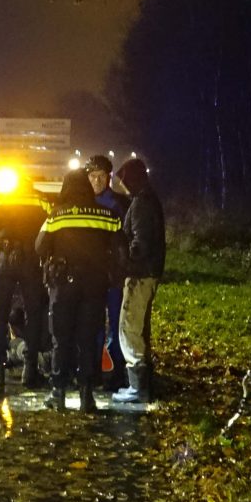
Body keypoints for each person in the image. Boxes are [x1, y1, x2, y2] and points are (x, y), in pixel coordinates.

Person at [36, 169, 122, 411]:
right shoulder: (108, 215)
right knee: (87, 339)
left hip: (64, 285)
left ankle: (58, 393)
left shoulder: (56, 215)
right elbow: (121, 248)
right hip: (95, 286)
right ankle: (87, 395)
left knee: (61, 339)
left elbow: (40, 247)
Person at [0, 167, 50, 389]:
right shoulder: (41, 200)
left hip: (5, 261)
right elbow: (48, 230)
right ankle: (30, 370)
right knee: (33, 315)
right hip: (31, 260)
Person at [110, 157, 165, 404]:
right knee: (137, 327)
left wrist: (124, 261)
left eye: (123, 180)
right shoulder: (146, 199)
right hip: (146, 273)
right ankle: (141, 385)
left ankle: (137, 387)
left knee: (129, 327)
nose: (121, 186)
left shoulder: (142, 204)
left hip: (140, 275)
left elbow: (140, 243)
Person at [86, 155, 131, 392]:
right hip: (92, 274)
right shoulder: (82, 202)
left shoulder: (120, 204)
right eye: (92, 176)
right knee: (93, 324)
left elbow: (126, 238)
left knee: (116, 324)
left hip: (113, 274)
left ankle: (116, 373)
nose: (96, 181)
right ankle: (94, 370)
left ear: (109, 178)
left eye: (101, 176)